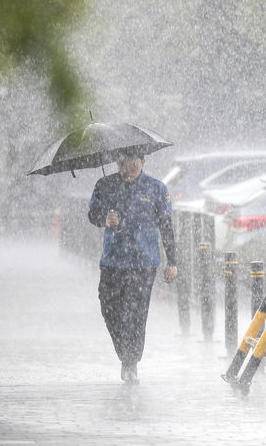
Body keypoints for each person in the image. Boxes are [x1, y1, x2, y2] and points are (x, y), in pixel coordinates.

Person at [88, 150, 178, 384]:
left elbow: (166, 226)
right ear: (116, 163)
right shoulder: (104, 185)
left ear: (144, 163)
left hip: (143, 263)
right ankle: (124, 351)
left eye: (134, 165)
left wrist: (173, 262)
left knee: (136, 314)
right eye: (123, 165)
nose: (128, 170)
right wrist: (104, 219)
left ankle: (131, 362)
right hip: (112, 261)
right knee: (108, 306)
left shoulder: (157, 189)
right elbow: (92, 214)